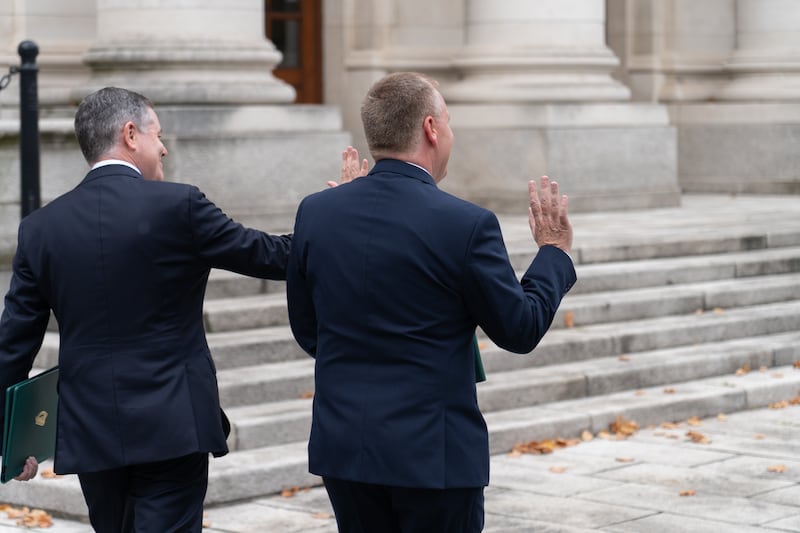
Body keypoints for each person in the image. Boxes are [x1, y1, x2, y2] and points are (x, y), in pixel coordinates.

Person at [286, 71, 576, 532]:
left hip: (345, 447)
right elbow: (519, 329)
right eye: (449, 121)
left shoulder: (316, 212)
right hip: (431, 457)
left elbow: (308, 330)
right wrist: (554, 253)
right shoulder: (466, 224)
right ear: (430, 129)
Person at [0, 87, 293, 532]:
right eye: (159, 134)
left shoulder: (41, 229)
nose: (164, 147)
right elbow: (272, 256)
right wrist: (335, 213)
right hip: (173, 422)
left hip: (91, 427)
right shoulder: (180, 205)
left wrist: (9, 438)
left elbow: (14, 342)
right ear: (131, 134)